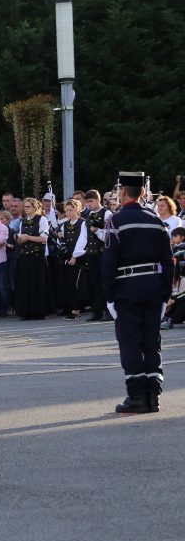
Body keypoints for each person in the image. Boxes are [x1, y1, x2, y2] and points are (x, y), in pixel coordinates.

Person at [103, 171, 174, 414]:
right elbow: (168, 260)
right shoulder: (156, 220)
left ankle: (137, 397)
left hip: (127, 289)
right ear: (143, 192)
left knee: (131, 342)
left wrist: (109, 295)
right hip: (154, 288)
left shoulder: (116, 220)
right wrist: (166, 292)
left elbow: (109, 261)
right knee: (151, 342)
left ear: (123, 191)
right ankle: (153, 396)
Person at [13, 198, 51, 321]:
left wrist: (28, 237)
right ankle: (26, 311)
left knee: (37, 283)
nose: (26, 209)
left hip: (37, 257)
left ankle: (39, 311)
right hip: (25, 256)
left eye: (28, 206)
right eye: (25, 207)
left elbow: (44, 239)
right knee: (25, 284)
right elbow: (21, 238)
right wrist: (19, 238)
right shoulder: (23, 221)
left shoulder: (42, 219)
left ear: (35, 207)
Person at [57, 199, 89, 319]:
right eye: (66, 210)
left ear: (77, 209)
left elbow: (83, 240)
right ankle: (69, 307)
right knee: (67, 282)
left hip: (79, 257)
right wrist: (60, 237)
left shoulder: (83, 223)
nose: (68, 212)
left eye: (71, 210)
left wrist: (75, 256)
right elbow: (62, 243)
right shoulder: (64, 224)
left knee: (75, 283)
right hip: (68, 257)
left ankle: (76, 309)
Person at [82, 190, 108, 320]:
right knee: (95, 283)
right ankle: (97, 311)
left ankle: (109, 311)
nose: (88, 204)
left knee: (106, 282)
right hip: (91, 253)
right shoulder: (89, 215)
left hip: (103, 254)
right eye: (87, 202)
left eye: (91, 201)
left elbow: (109, 236)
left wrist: (97, 231)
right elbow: (84, 236)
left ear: (98, 200)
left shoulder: (106, 213)